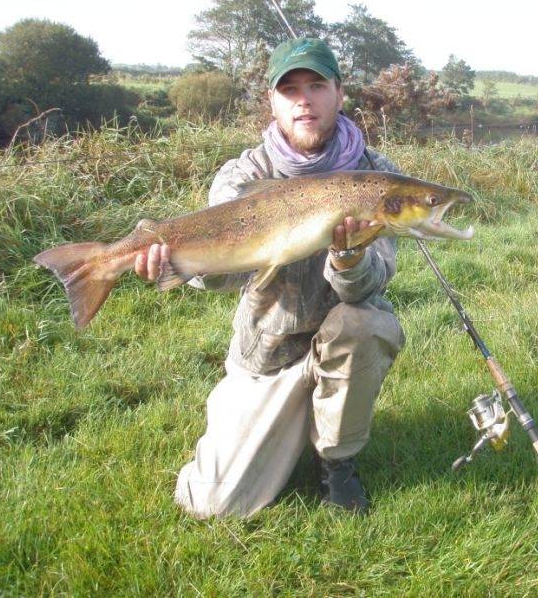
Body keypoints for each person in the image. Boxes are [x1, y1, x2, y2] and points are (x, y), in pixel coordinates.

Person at [134, 38, 405, 518]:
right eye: (290, 89)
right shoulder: (242, 175)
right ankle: (290, 423)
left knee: (369, 323)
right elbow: (219, 279)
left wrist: (347, 256)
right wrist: (175, 263)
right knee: (212, 504)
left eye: (316, 86)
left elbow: (367, 288)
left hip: (339, 344)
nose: (304, 99)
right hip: (266, 357)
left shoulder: (378, 177)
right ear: (272, 101)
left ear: (339, 93)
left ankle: (337, 463)